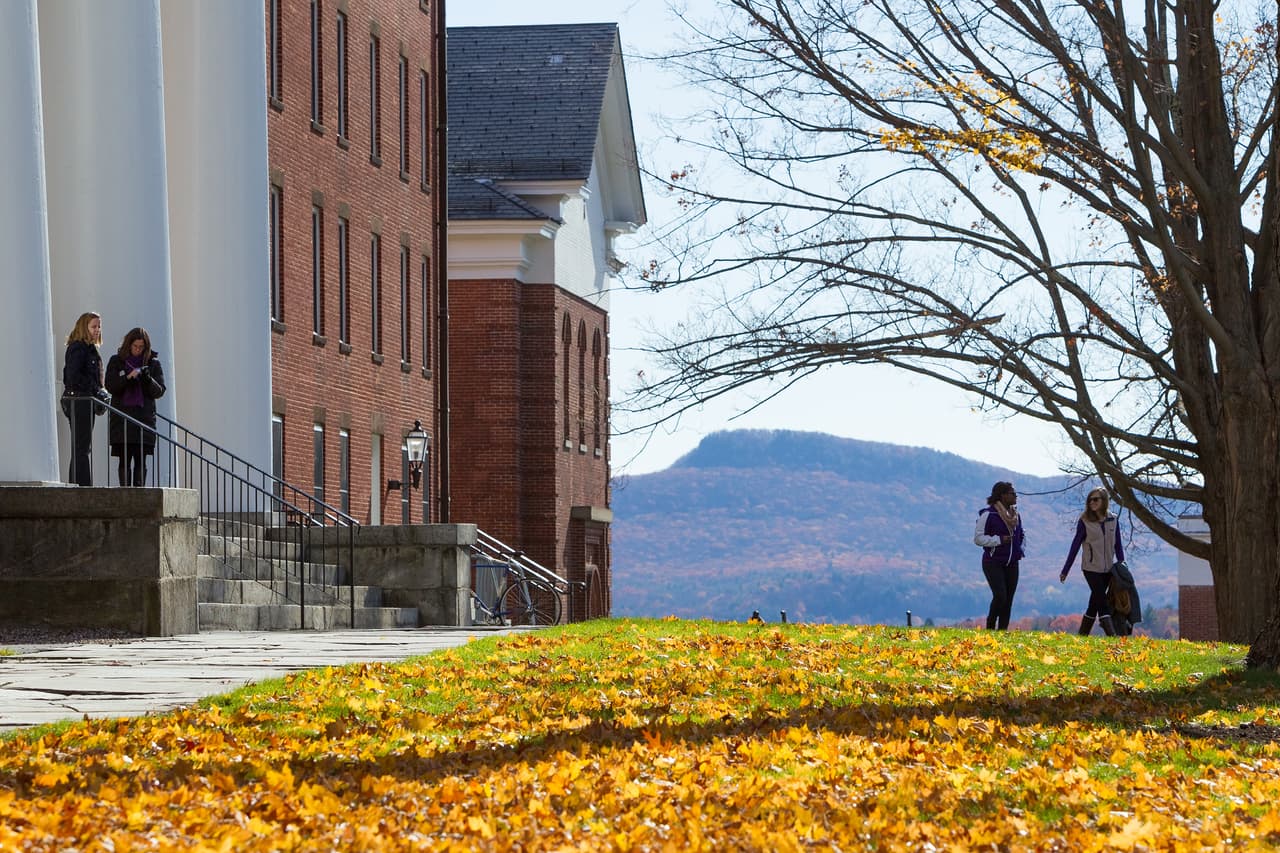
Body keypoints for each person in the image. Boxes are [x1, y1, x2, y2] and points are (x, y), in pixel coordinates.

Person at [104, 327, 167, 486]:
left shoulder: (153, 364)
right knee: (124, 460)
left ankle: (139, 495)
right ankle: (124, 496)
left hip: (143, 420)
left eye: (141, 347)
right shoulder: (117, 361)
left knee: (141, 461)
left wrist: (147, 379)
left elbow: (159, 391)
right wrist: (127, 377)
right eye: (135, 346)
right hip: (122, 421)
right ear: (128, 345)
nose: (138, 350)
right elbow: (110, 386)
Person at [1059, 487, 1124, 636]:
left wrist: (1121, 564)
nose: (1092, 502)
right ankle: (1112, 636)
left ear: (1104, 501)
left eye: (1096, 499)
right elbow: (1075, 546)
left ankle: (1082, 635)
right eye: (1090, 500)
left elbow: (1118, 544)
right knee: (1102, 601)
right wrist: (1065, 570)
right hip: (1090, 568)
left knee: (1094, 603)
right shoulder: (1084, 521)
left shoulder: (1113, 519)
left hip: (1108, 569)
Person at [61, 311, 106, 486]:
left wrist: (100, 392)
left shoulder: (90, 349)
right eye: (94, 326)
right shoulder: (78, 348)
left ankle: (78, 485)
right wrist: (96, 390)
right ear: (83, 327)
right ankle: (82, 487)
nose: (97, 330)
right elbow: (72, 377)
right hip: (78, 401)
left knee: (81, 447)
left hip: (86, 401)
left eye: (99, 326)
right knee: (81, 448)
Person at [974, 481, 1025, 630]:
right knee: (1000, 596)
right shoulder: (988, 515)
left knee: (1008, 600)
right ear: (1002, 496)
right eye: (1012, 493)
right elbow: (978, 538)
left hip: (1012, 563)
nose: (1016, 496)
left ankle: (1002, 632)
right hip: (993, 562)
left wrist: (1018, 547)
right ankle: (990, 626)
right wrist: (999, 540)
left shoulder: (1016, 516)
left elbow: (1021, 534)